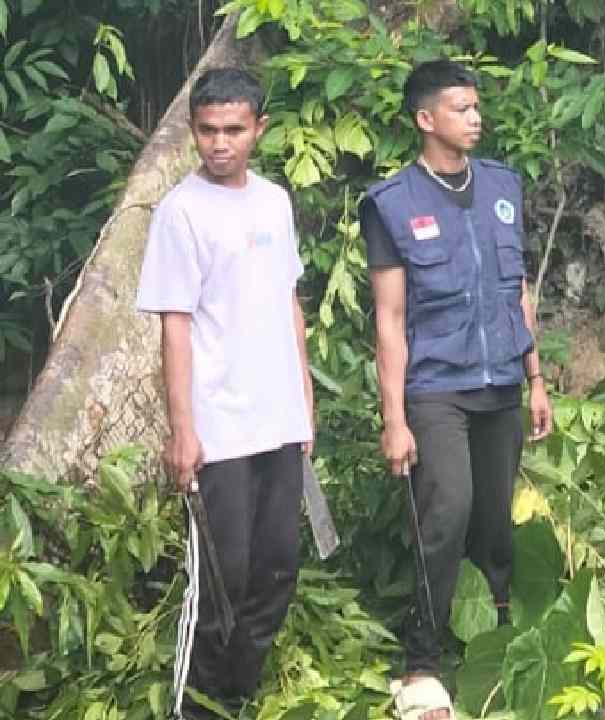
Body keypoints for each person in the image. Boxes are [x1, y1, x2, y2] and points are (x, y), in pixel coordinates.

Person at [360, 59, 553, 720]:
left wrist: (536, 378)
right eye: (461, 109)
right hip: (436, 387)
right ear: (425, 119)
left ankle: (489, 649)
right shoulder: (392, 204)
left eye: (476, 107)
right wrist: (394, 417)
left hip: (501, 382)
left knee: (495, 522)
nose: (476, 118)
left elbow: (516, 290)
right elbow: (389, 319)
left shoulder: (502, 185)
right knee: (448, 514)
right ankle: (421, 663)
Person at [136, 68, 313, 720]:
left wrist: (304, 401)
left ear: (259, 129)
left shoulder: (274, 202)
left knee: (277, 569)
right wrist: (183, 430)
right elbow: (175, 325)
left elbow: (289, 303)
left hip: (278, 421)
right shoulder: (181, 211)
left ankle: (235, 696)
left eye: (233, 130)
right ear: (192, 131)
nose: (219, 143)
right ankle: (194, 709)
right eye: (208, 130)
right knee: (221, 579)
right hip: (219, 428)